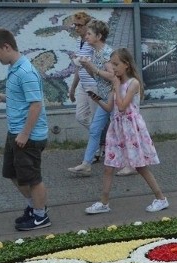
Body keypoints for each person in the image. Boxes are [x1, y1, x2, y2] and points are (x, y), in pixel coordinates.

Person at [84, 48, 168, 215]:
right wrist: (97, 99)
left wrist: (115, 86)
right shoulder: (116, 85)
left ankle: (161, 198)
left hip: (131, 129)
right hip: (116, 129)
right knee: (109, 166)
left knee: (140, 166)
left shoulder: (133, 84)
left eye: (116, 64)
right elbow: (110, 108)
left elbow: (122, 107)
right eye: (111, 64)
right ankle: (104, 202)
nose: (112, 68)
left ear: (126, 65)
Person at [0, 28, 51, 231]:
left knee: (32, 178)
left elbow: (36, 105)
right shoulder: (14, 68)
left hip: (27, 136)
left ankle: (41, 216)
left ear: (6, 47)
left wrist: (25, 133)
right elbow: (22, 99)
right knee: (12, 174)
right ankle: (33, 207)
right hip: (15, 132)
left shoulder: (25, 71)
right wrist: (1, 98)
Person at [67, 20, 115, 176]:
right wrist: (86, 66)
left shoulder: (107, 53)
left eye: (89, 33)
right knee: (94, 129)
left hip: (113, 98)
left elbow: (113, 77)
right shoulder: (95, 53)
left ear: (99, 36)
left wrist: (92, 67)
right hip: (103, 97)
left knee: (121, 131)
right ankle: (86, 164)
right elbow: (95, 76)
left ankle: (134, 162)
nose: (85, 36)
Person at [68, 11, 97, 132]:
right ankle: (102, 137)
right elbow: (78, 68)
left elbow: (97, 66)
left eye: (80, 25)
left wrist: (82, 62)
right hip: (83, 84)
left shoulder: (92, 43)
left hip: (93, 84)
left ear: (87, 25)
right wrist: (73, 88)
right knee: (80, 117)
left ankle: (102, 144)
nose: (77, 28)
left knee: (96, 118)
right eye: (75, 25)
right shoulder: (78, 42)